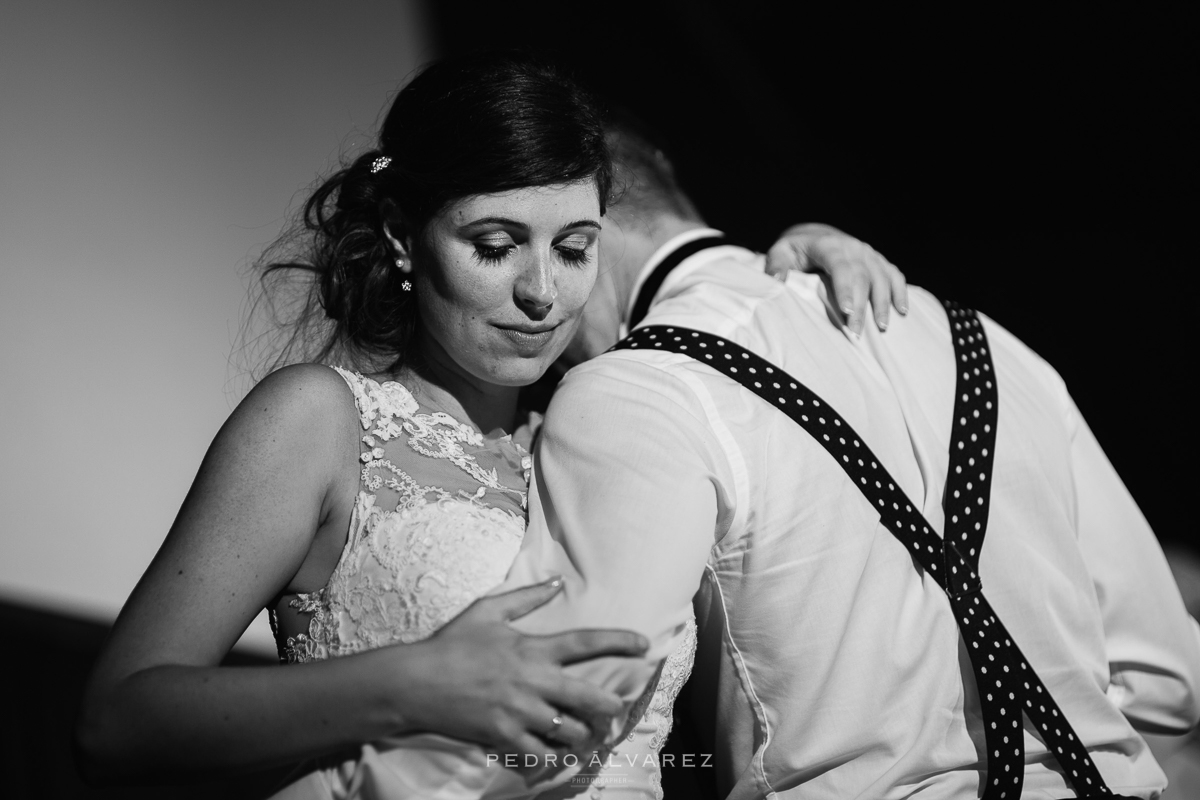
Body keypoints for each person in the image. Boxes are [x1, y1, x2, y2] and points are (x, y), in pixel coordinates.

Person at [73, 52, 904, 795]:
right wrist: (416, 683)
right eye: (497, 245)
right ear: (404, 234)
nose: (542, 292)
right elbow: (116, 721)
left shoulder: (605, 438)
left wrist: (788, 289)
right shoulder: (321, 421)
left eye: (574, 249)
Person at [491, 124, 1200, 798]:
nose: (537, 297)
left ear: (584, 225)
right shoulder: (979, 338)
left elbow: (564, 726)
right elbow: (1166, 671)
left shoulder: (635, 389)